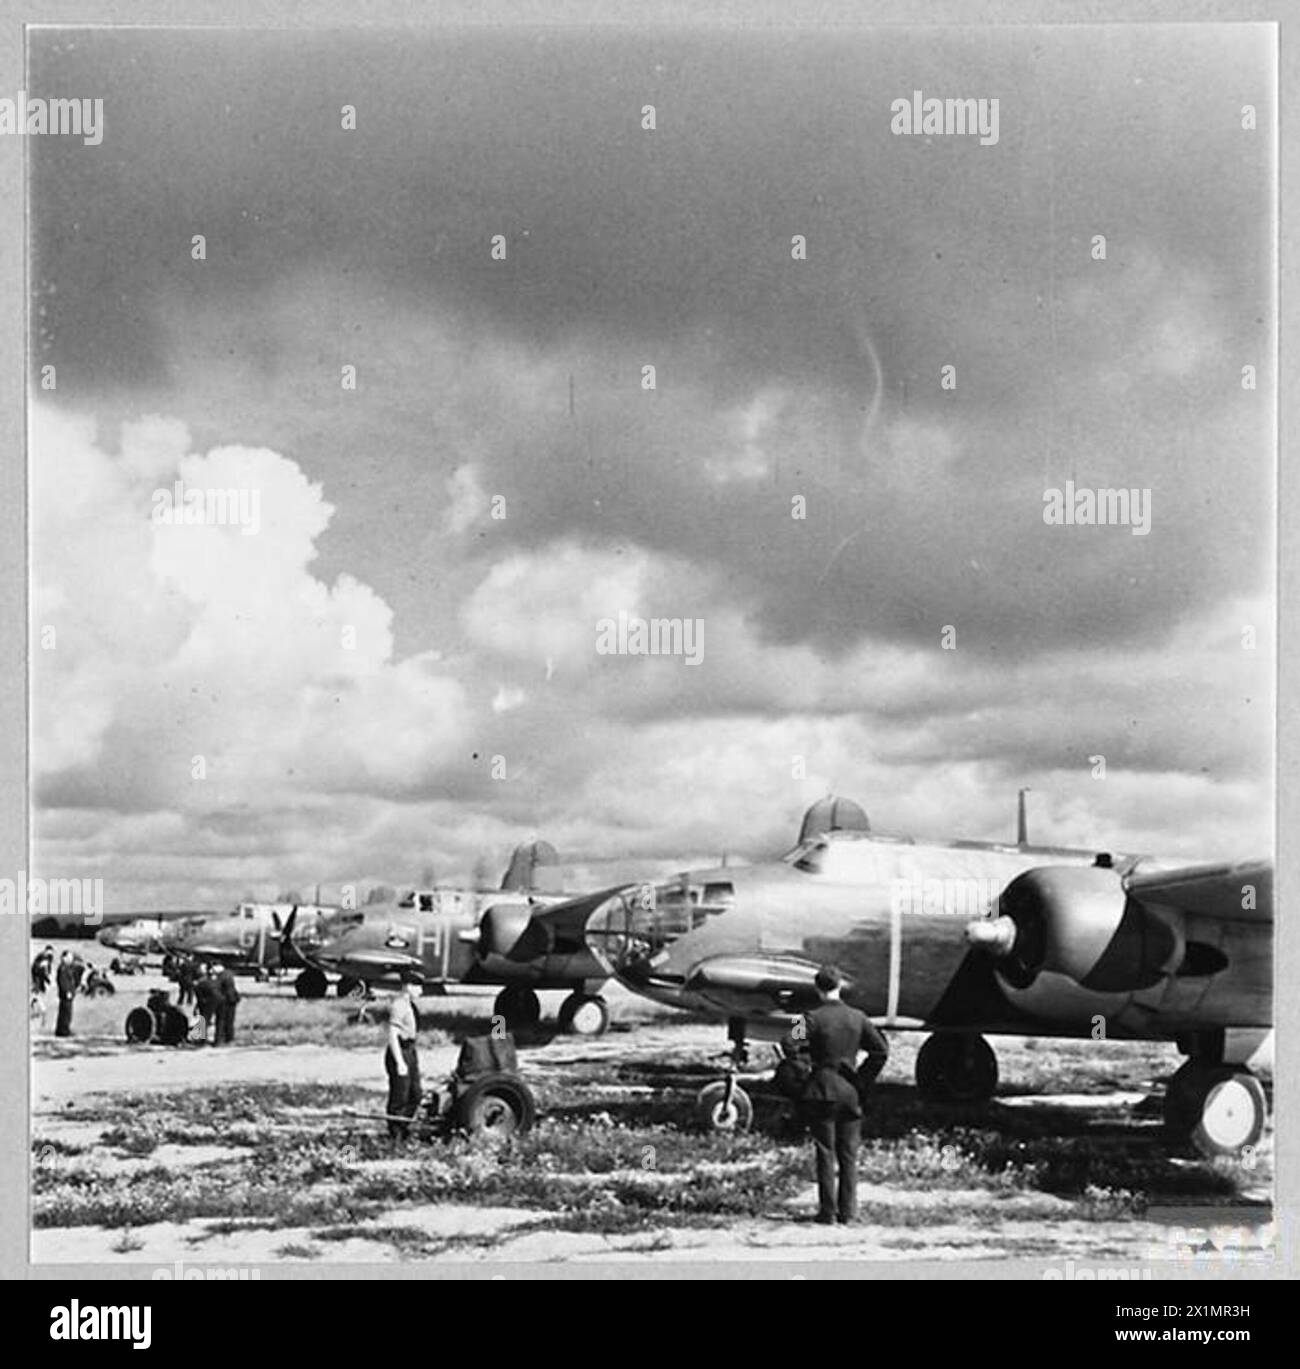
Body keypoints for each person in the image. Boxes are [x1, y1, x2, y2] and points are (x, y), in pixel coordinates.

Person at [783, 964, 889, 1225]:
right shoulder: (859, 1017)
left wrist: (804, 1070)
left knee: (825, 1152)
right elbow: (881, 1051)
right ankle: (849, 1213)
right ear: (840, 986)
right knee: (849, 1154)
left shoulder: (807, 1016)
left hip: (819, 1090)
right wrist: (861, 1079)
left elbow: (788, 1043)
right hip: (850, 1091)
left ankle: (827, 1212)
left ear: (818, 988)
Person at [384, 969, 424, 1140]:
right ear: (408, 986)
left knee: (416, 1094)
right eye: (417, 987)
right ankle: (396, 1134)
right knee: (400, 1096)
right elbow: (392, 1034)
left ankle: (403, 1126)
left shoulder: (410, 1005)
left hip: (410, 1050)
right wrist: (400, 1062)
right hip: (400, 1051)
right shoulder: (399, 1005)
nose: (420, 991)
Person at [54, 950, 80, 1037]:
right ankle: (63, 1031)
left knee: (66, 1012)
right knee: (65, 1013)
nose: (70, 959)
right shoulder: (63, 968)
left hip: (68, 993)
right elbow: (63, 982)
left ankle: (64, 1029)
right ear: (64, 958)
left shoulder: (67, 967)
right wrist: (67, 992)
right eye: (69, 957)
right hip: (66, 994)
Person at [213, 965, 240, 1045]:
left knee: (221, 1020)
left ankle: (219, 1040)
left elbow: (217, 988)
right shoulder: (228, 974)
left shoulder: (221, 977)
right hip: (232, 1000)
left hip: (225, 1001)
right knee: (230, 1020)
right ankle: (229, 1038)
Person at [193, 964, 220, 1045]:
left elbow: (199, 997)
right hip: (214, 1002)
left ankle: (203, 1040)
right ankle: (217, 1039)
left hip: (205, 1004)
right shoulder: (213, 983)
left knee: (204, 1021)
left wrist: (197, 1007)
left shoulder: (200, 984)